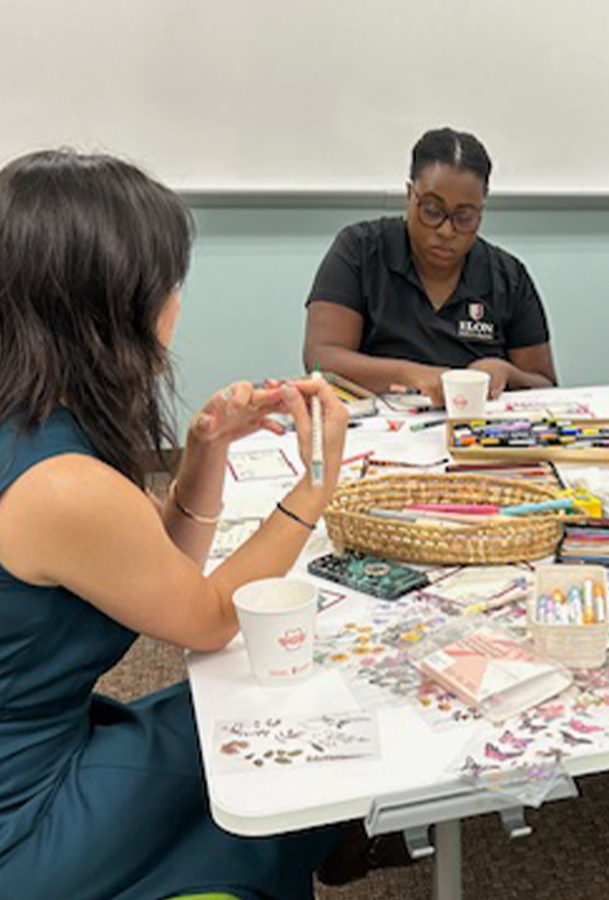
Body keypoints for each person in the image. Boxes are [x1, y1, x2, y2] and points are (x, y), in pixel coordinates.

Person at [0, 150, 355, 899]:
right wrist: (315, 486)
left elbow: (155, 577)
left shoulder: (29, 422)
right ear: (114, 302)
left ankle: (329, 839)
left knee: (228, 711)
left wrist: (204, 451)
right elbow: (206, 619)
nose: (177, 303)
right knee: (279, 726)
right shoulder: (61, 485)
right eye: (169, 282)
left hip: (39, 750)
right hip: (23, 821)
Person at [303, 127, 557, 406]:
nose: (447, 231)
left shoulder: (508, 277)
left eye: (464, 217)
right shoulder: (360, 251)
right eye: (432, 211)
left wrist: (506, 373)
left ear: (482, 211)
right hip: (380, 433)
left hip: (476, 435)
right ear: (409, 195)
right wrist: (417, 376)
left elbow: (546, 385)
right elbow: (321, 359)